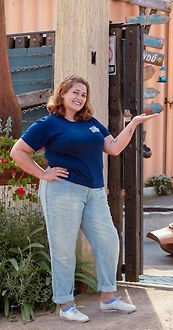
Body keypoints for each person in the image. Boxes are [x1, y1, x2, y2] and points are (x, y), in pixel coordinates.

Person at [10, 75, 160, 323]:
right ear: (62, 94)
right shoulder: (49, 124)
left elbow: (113, 148)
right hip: (62, 191)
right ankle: (66, 304)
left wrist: (132, 125)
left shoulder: (91, 123)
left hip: (94, 192)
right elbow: (19, 151)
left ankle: (108, 299)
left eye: (83, 94)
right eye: (75, 93)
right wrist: (42, 173)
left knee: (109, 241)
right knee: (64, 249)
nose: (79, 98)